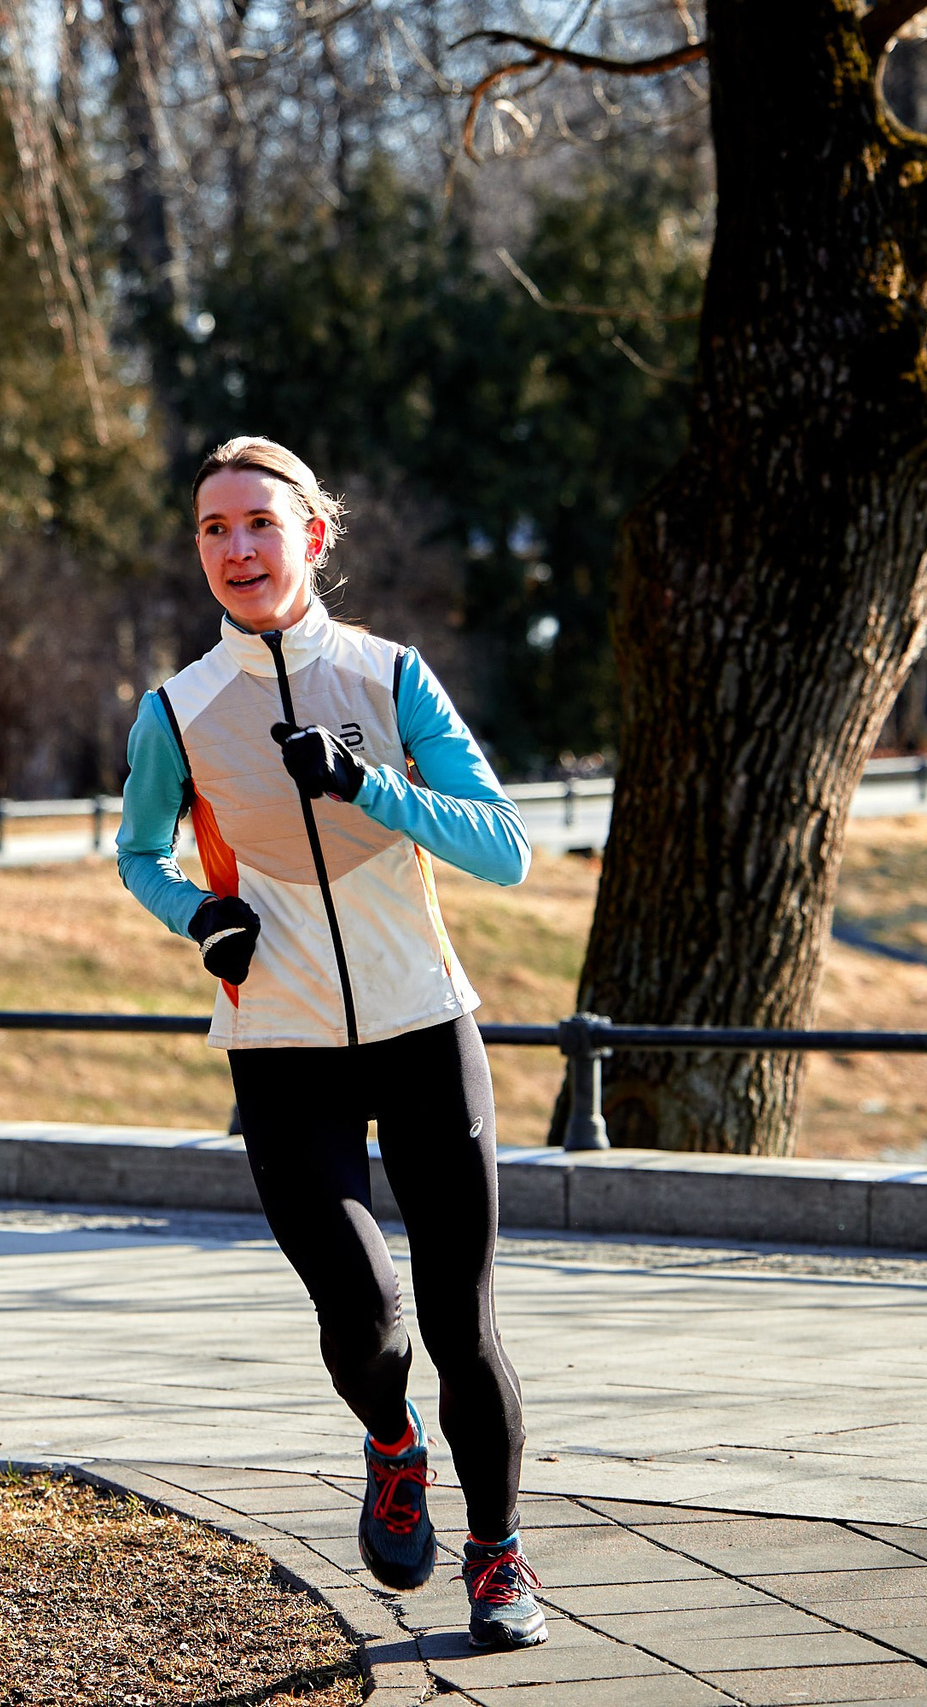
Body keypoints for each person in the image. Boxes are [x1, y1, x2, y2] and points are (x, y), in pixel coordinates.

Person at [115, 435, 546, 1650]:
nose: (238, 548)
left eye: (260, 522)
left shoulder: (393, 676)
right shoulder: (179, 712)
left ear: (313, 535)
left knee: (463, 1325)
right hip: (282, 1035)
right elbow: (137, 852)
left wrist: (368, 786)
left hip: (421, 1023)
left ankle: (499, 1558)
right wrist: (198, 914)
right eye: (213, 529)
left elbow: (502, 848)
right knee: (365, 1317)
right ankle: (392, 1445)